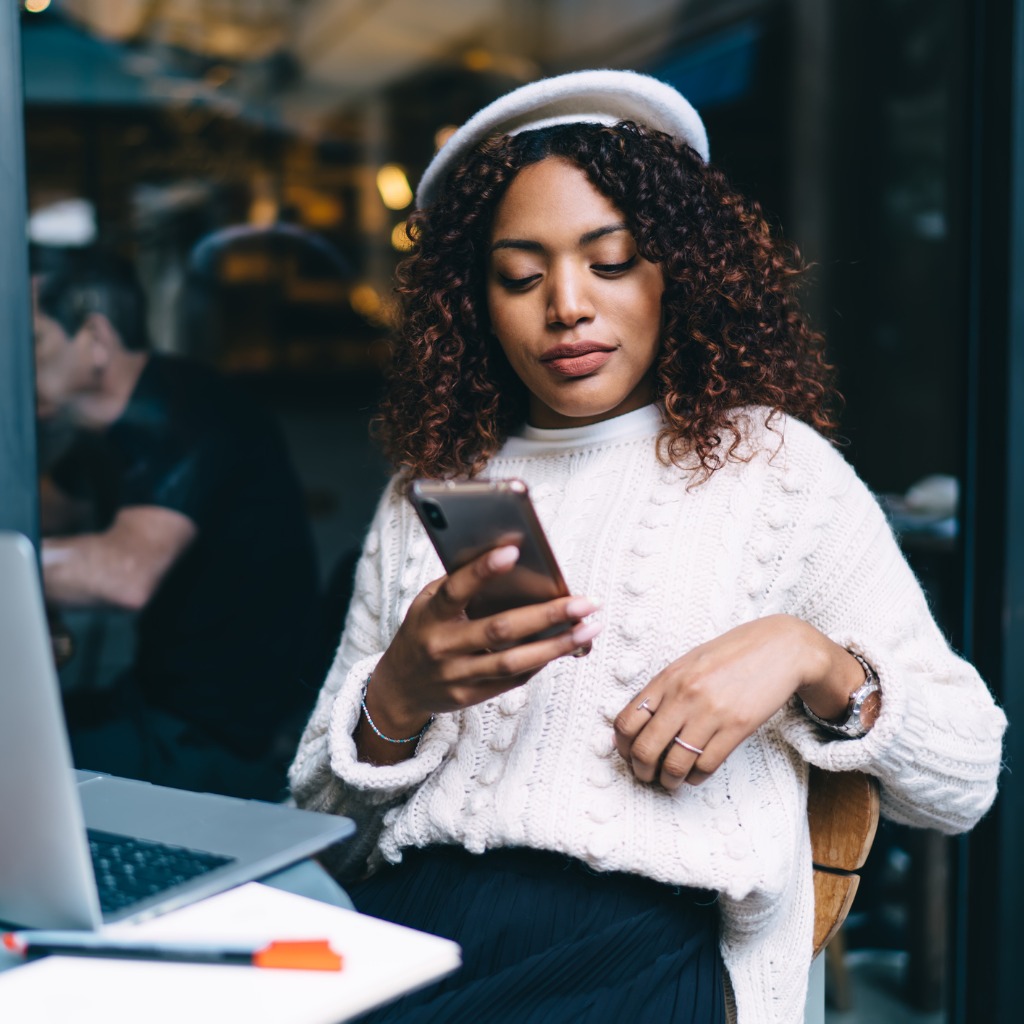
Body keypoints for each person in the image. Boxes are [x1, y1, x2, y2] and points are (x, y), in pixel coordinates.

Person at [288, 71, 1006, 1023]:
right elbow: (320, 830)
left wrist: (812, 658)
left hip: (646, 951)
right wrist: (397, 700)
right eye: (520, 276)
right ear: (475, 301)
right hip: (417, 928)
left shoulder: (775, 467)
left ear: (678, 271)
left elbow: (965, 778)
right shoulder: (432, 485)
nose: (567, 305)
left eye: (613, 261)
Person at [34, 249, 321, 800]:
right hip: (154, 699)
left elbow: (121, 575)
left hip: (220, 740)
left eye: (32, 341)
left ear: (95, 340)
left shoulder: (185, 415)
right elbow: (41, 516)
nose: (14, 360)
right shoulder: (104, 428)